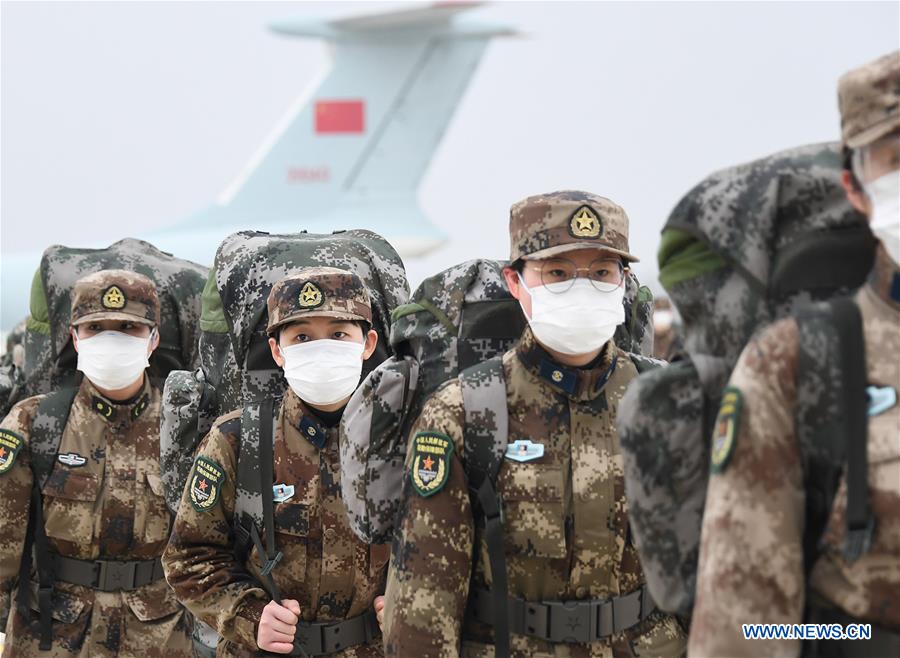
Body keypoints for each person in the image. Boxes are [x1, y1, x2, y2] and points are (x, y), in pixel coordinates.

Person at [383, 190, 687, 657]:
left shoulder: (669, 401)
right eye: (558, 273)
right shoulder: (465, 411)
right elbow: (425, 599)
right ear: (515, 281)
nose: (582, 288)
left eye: (602, 272)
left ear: (625, 281)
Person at [688, 50, 900, 657]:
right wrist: (846, 636)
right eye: (896, 157)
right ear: (855, 186)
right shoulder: (796, 363)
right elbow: (747, 628)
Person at [163, 266, 387, 657]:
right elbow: (189, 558)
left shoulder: (398, 438)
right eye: (301, 337)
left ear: (367, 344)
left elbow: (435, 545)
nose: (321, 348)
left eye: (338, 334)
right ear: (277, 351)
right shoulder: (237, 439)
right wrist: (249, 616)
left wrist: (407, 598)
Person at [0, 269, 193, 657]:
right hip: (52, 634)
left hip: (160, 636)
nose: (112, 339)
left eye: (127, 327)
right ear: (75, 337)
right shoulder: (35, 422)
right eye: (96, 328)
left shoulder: (185, 425)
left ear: (153, 338)